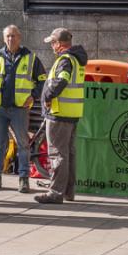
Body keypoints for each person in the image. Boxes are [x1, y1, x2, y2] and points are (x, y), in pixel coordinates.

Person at [0, 25, 46, 193]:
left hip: (20, 108)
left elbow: (43, 80)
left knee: (22, 144)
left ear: (19, 38)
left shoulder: (30, 58)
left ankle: (23, 179)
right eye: (7, 36)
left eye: (13, 36)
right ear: (3, 38)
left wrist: (34, 95)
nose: (10, 39)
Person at [34, 28, 87, 204]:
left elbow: (61, 80)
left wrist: (48, 95)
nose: (51, 46)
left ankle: (56, 192)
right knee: (69, 154)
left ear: (59, 43)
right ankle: (68, 192)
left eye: (52, 43)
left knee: (57, 154)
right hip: (71, 113)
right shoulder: (76, 59)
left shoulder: (65, 60)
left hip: (59, 112)